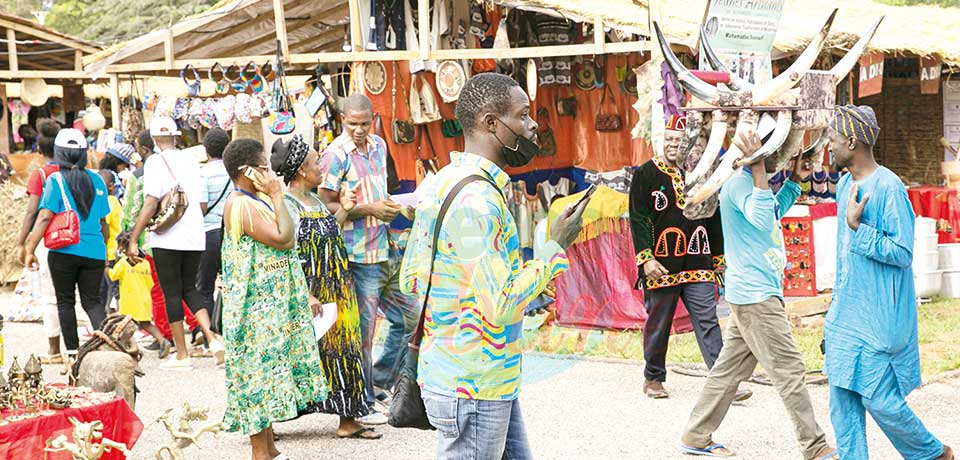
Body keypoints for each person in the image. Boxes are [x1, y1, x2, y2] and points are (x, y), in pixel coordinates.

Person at [400, 73, 587, 459]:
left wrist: (517, 281)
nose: (533, 125)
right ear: (490, 122)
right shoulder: (476, 204)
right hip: (473, 382)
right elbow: (500, 305)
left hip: (477, 374)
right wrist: (554, 247)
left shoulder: (444, 183)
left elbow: (411, 280)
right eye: (523, 115)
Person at [678, 126, 838, 459]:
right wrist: (758, 169)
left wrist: (794, 181)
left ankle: (696, 435)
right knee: (790, 369)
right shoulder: (739, 182)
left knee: (729, 370)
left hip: (751, 292)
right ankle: (815, 446)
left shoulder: (750, 183)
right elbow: (764, 219)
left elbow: (770, 214)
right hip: (756, 296)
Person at [826, 105, 954, 460]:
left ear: (851, 142)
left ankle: (932, 454)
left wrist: (859, 228)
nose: (829, 146)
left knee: (878, 398)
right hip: (846, 314)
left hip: (879, 317)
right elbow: (843, 257)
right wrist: (834, 311)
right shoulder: (845, 186)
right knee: (842, 398)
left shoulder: (889, 187)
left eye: (833, 139)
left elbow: (901, 251)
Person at [220, 138, 329, 460]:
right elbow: (283, 237)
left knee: (266, 381)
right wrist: (278, 195)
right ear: (247, 171)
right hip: (254, 314)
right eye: (265, 168)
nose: (271, 175)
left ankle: (270, 450)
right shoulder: (241, 204)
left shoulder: (254, 200)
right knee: (257, 381)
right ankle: (260, 453)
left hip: (267, 310)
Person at [317, 93, 419, 424]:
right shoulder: (334, 155)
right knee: (364, 334)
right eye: (352, 124)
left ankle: (378, 382)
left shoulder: (379, 146)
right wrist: (368, 210)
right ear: (342, 120)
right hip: (357, 257)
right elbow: (326, 207)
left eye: (364, 123)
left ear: (373, 119)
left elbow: (378, 193)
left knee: (412, 319)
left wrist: (397, 207)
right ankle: (364, 401)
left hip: (386, 250)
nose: (359, 130)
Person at [271, 134, 380, 440]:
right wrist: (305, 294)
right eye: (316, 161)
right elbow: (287, 251)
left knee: (344, 349)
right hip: (313, 291)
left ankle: (348, 419)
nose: (321, 166)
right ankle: (269, 422)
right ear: (302, 170)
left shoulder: (316, 200)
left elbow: (330, 231)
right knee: (300, 353)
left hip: (337, 286)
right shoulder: (289, 204)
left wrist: (344, 209)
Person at [630, 115, 744, 400]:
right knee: (659, 321)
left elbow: (713, 217)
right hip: (661, 264)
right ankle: (653, 377)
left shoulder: (702, 174)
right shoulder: (646, 174)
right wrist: (646, 259)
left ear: (689, 144)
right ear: (660, 140)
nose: (673, 145)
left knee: (708, 320)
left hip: (698, 260)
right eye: (668, 139)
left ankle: (723, 383)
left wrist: (718, 257)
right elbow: (639, 218)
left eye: (679, 141)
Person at [126, 116, 223, 371]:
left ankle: (182, 355)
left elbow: (150, 202)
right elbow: (201, 203)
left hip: (168, 236)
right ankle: (212, 340)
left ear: (155, 140)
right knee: (190, 288)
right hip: (195, 235)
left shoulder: (155, 162)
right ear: (176, 136)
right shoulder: (191, 160)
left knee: (172, 292)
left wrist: (135, 237)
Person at [21, 128, 110, 370]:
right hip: (94, 251)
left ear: (59, 154)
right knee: (93, 303)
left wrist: (29, 248)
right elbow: (104, 223)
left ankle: (73, 357)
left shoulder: (55, 181)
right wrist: (105, 253)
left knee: (65, 302)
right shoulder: (98, 180)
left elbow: (43, 217)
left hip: (64, 251)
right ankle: (106, 347)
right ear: (83, 154)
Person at [15, 119, 62, 364]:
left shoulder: (41, 174)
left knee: (50, 296)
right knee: (72, 296)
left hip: (48, 240)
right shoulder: (73, 170)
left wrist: (22, 242)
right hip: (77, 237)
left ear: (40, 151)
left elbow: (33, 211)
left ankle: (54, 350)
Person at [108, 231, 170, 358]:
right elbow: (150, 283)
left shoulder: (124, 262)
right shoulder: (145, 263)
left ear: (122, 248)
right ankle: (162, 340)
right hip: (144, 299)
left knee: (124, 325)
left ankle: (129, 349)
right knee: (146, 324)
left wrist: (107, 268)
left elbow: (113, 275)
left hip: (129, 299)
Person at [197, 128, 232, 332]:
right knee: (231, 284)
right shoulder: (233, 171)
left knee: (205, 287)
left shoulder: (202, 173)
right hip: (231, 233)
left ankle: (210, 336)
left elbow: (201, 207)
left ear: (206, 150)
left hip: (209, 234)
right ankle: (229, 330)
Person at [98, 169, 123, 313]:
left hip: (110, 252)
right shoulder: (115, 201)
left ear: (111, 187)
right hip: (115, 251)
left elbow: (104, 228)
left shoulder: (107, 202)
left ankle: (119, 323)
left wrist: (104, 254)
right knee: (109, 290)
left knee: (113, 290)